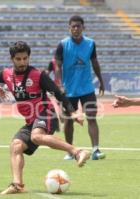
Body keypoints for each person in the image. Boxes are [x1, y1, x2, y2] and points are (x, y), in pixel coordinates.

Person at [0, 41, 91, 194]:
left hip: (46, 113)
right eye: (18, 59)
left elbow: (58, 93)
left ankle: (77, 152)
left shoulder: (38, 75)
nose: (22, 62)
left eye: (25, 58)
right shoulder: (7, 74)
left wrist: (72, 112)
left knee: (36, 136)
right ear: (12, 59)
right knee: (16, 145)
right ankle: (17, 185)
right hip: (31, 121)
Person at [54, 15, 106, 161]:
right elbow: (58, 66)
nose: (76, 29)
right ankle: (70, 151)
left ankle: (95, 150)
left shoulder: (90, 43)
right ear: (69, 28)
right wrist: (59, 84)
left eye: (78, 26)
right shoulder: (63, 45)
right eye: (73, 26)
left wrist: (101, 81)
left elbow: (95, 63)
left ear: (83, 27)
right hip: (68, 90)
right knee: (69, 121)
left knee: (91, 117)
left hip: (87, 88)